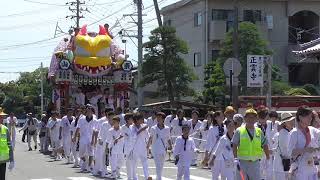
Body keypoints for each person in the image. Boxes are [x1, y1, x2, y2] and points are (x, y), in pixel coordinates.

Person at [232, 108, 270, 180]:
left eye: (253, 117)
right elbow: (234, 144)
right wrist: (235, 158)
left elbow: (265, 144)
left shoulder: (259, 131)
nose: (251, 119)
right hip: (242, 162)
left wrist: (268, 158)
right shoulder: (239, 130)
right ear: (245, 118)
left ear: (256, 119)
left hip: (255, 163)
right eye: (249, 117)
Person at [288, 105, 319, 179]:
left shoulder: (312, 130)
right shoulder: (294, 132)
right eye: (308, 117)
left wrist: (317, 119)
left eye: (311, 117)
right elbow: (290, 152)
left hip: (312, 167)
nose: (310, 119)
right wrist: (305, 150)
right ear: (300, 117)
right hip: (300, 168)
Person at [147, 112, 173, 180]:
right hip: (155, 148)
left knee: (161, 164)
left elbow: (168, 138)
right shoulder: (153, 128)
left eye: (160, 117)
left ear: (163, 119)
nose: (158, 119)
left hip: (163, 148)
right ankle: (159, 178)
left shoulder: (167, 128)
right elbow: (150, 137)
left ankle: (158, 177)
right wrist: (147, 146)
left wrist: (171, 146)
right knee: (158, 164)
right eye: (157, 117)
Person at [73, 105, 98, 172]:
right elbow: (78, 128)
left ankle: (89, 167)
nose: (89, 112)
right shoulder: (81, 119)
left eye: (90, 111)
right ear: (86, 112)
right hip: (83, 138)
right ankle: (85, 161)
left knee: (91, 153)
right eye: (88, 111)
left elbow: (96, 131)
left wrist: (95, 141)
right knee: (81, 154)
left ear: (92, 112)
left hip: (91, 139)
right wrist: (75, 137)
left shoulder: (95, 120)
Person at [203, 111, 226, 175]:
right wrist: (206, 154)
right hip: (214, 154)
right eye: (220, 116)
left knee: (224, 175)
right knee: (215, 175)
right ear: (215, 118)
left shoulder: (226, 128)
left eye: (223, 116)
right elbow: (208, 142)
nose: (222, 118)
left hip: (225, 154)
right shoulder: (212, 128)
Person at [273, 112, 295, 180]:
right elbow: (286, 152)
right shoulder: (284, 133)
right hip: (282, 167)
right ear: (284, 123)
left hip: (283, 166)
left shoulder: (286, 132)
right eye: (289, 121)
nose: (292, 122)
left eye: (292, 121)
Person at [130, 112, 150, 180]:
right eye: (141, 119)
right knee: (134, 163)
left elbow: (148, 136)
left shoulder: (144, 126)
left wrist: (148, 144)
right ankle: (135, 178)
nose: (143, 120)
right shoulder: (132, 127)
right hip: (135, 147)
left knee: (145, 162)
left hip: (143, 146)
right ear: (137, 119)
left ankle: (147, 177)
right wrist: (142, 129)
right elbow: (133, 136)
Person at [93, 110, 113, 177]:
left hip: (112, 144)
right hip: (104, 143)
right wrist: (100, 139)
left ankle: (112, 172)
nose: (112, 119)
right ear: (107, 117)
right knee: (103, 158)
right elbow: (100, 133)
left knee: (112, 159)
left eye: (113, 117)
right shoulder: (104, 124)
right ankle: (103, 172)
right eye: (110, 117)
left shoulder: (115, 125)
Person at [0, 107, 14, 180]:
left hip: (3, 161)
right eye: (0, 117)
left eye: (2, 117)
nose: (1, 119)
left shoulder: (5, 129)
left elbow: (9, 145)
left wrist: (12, 160)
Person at [119, 113, 134, 179]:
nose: (132, 120)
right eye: (131, 119)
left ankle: (133, 176)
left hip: (133, 146)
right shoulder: (123, 127)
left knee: (133, 162)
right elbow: (121, 136)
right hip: (126, 147)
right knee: (128, 162)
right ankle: (129, 177)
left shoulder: (133, 127)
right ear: (127, 120)